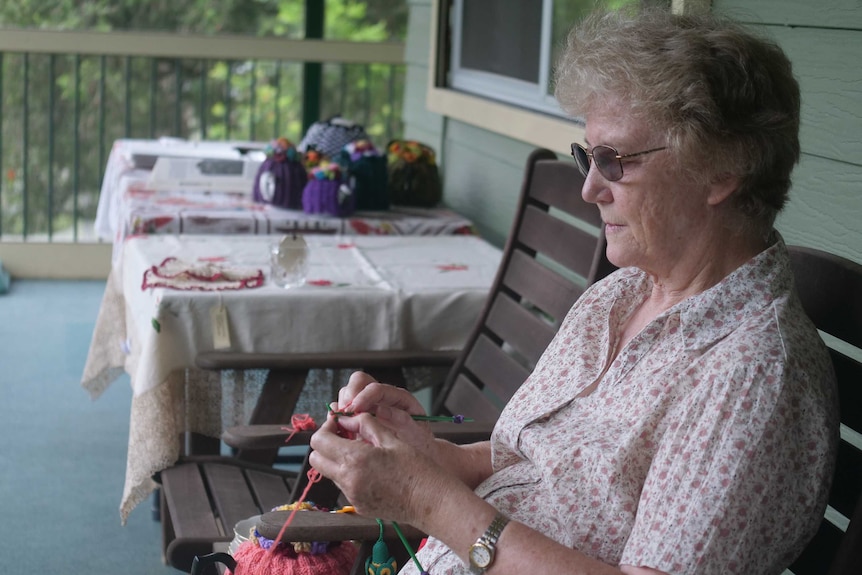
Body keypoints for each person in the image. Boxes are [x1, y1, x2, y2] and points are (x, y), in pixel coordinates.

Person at [308, 7, 839, 575]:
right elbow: (539, 466)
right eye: (587, 157)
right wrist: (414, 453)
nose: (589, 190)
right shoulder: (621, 298)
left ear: (720, 171)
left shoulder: (751, 374)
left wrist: (426, 500)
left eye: (613, 161)